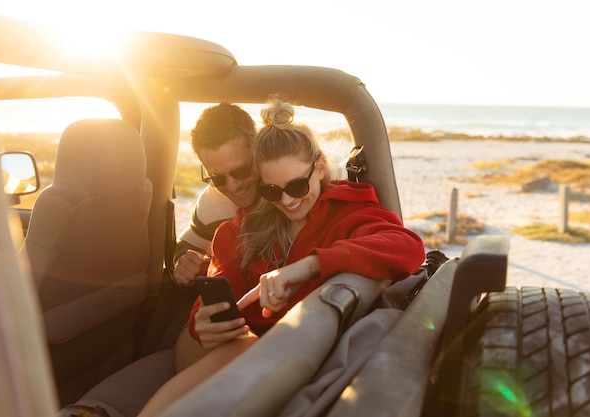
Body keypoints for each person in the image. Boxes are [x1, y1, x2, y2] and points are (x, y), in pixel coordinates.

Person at [137, 99, 426, 417]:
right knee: (241, 349)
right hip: (256, 354)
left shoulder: (345, 213)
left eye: (298, 186)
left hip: (314, 360)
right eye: (272, 191)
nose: (287, 200)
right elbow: (223, 277)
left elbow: (406, 246)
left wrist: (308, 266)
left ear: (318, 168)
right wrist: (202, 319)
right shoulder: (239, 229)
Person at [172, 103, 259, 287]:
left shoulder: (288, 189)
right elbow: (187, 244)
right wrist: (185, 262)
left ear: (257, 148)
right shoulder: (211, 203)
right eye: (217, 178)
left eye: (242, 171)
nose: (233, 186)